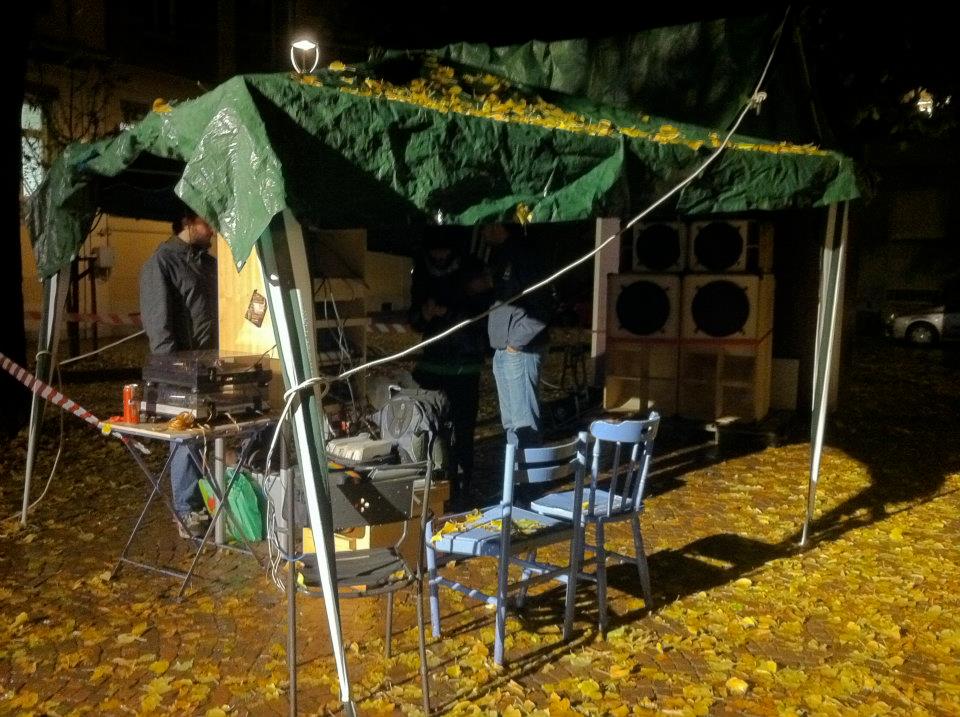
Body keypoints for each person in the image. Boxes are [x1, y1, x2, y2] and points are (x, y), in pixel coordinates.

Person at [139, 205, 218, 538]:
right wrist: (176, 372)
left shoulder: (209, 264)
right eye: (207, 221)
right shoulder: (161, 262)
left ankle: (214, 502)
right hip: (182, 371)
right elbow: (159, 327)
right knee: (186, 437)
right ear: (187, 221)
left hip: (214, 366)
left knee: (214, 433)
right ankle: (187, 511)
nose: (213, 229)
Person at [408, 228, 490, 506]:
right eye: (434, 253)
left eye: (443, 252)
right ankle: (434, 483)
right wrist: (423, 314)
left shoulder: (471, 268)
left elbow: (481, 314)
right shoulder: (422, 271)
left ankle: (462, 486)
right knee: (429, 425)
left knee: (463, 429)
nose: (439, 258)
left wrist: (449, 314)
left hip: (465, 363)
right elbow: (414, 316)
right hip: (432, 361)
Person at [482, 223, 552, 448]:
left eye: (485, 225)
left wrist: (516, 343)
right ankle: (515, 469)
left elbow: (543, 305)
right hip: (504, 348)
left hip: (520, 350)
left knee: (524, 423)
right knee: (511, 423)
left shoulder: (524, 255)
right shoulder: (501, 255)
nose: (482, 231)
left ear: (498, 225)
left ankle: (531, 469)